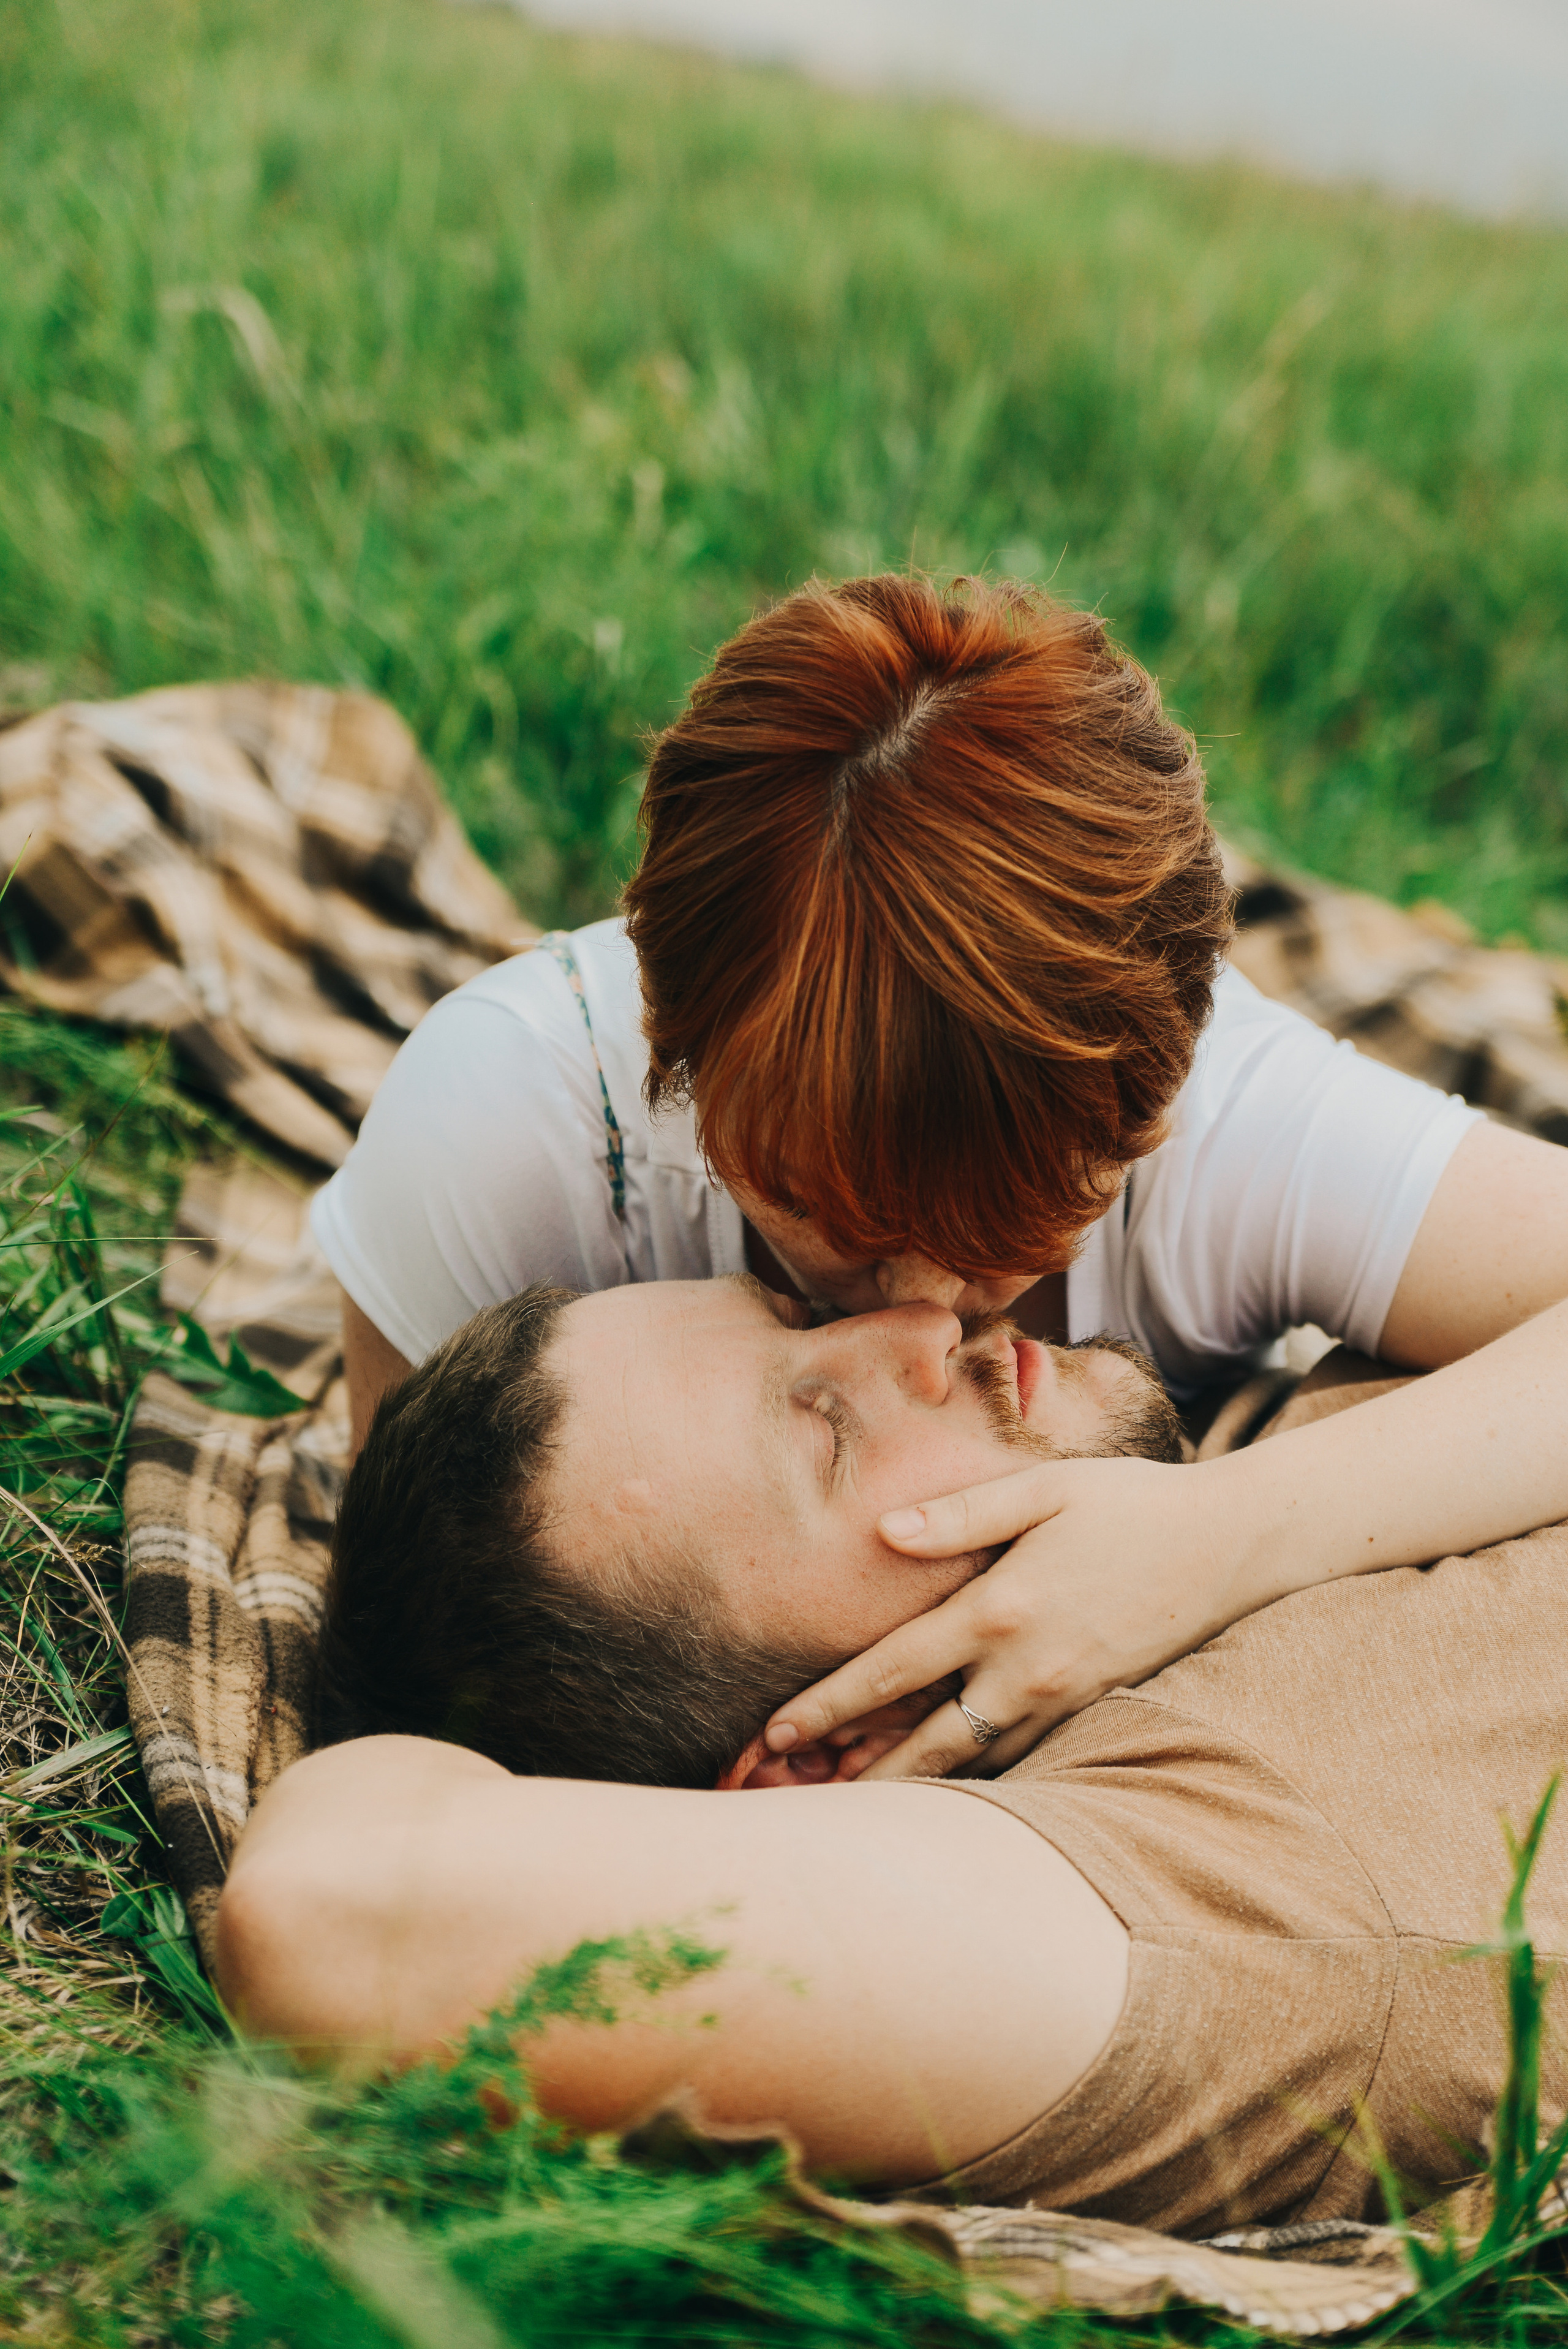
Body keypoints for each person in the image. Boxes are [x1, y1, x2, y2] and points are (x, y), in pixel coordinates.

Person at [309, 572, 1568, 1776]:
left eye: (1018, 1224)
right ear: (674, 1049)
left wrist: (1224, 1537)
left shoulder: (1222, 1123)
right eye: (822, 1218)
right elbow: (417, 1676)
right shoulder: (505, 1130)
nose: (923, 1306)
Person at [219, 1296, 1568, 2237]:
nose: (928, 1323)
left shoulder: (1180, 1506)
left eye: (795, 1313)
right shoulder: (1192, 1886)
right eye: (825, 1427)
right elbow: (342, 1910)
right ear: (827, 1760)